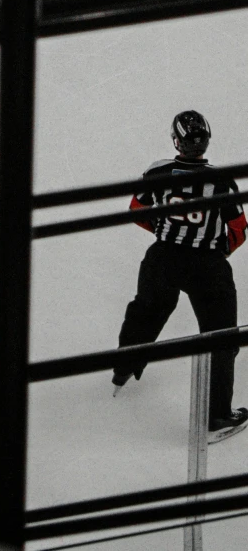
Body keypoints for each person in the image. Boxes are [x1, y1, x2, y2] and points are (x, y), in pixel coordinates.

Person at [113, 112, 248, 441]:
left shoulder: (157, 172)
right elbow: (239, 230)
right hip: (208, 267)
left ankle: (123, 370)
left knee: (146, 309)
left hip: (162, 259)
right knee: (221, 337)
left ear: (176, 141)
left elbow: (137, 209)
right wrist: (217, 251)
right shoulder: (221, 181)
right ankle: (216, 418)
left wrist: (166, 234)